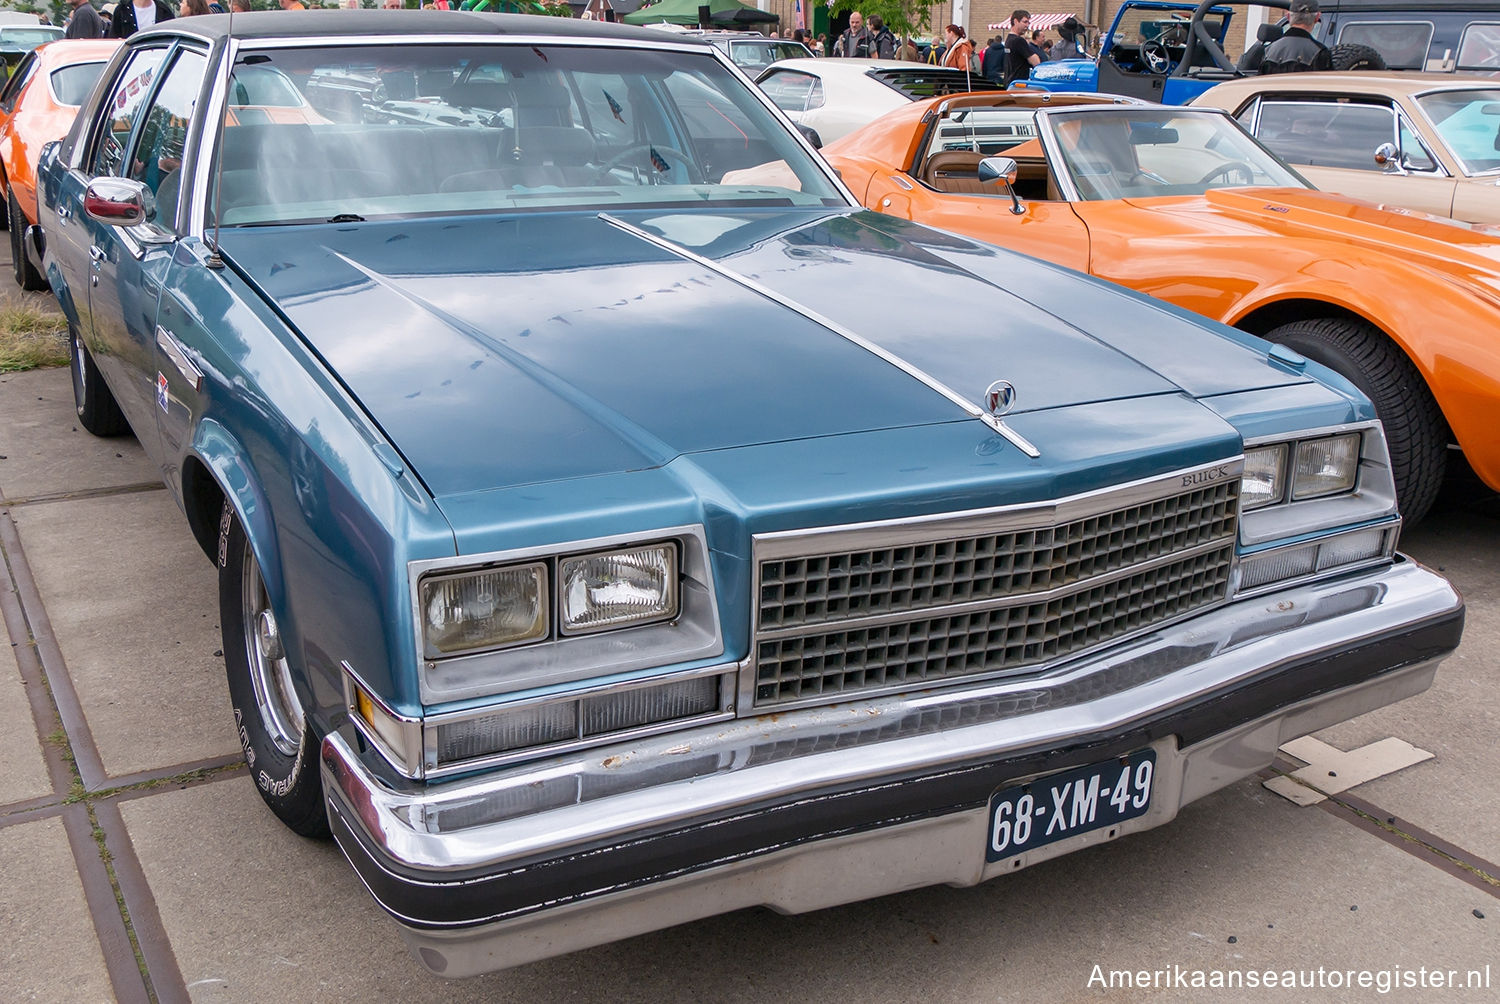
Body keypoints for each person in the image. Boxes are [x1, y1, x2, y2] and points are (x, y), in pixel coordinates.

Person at [1260, 0, 1332, 72]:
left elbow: (1260, 81)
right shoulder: (1320, 52)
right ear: (1317, 17)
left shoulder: (1268, 51)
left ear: (1288, 16)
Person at [1003, 10, 1041, 85]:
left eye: (1028, 23)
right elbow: (1036, 62)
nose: (1027, 25)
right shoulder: (1019, 41)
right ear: (1015, 21)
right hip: (1019, 85)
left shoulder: (1008, 40)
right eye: (1025, 22)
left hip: (1010, 83)